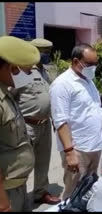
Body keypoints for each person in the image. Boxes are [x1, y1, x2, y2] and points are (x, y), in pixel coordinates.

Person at [49, 44, 102, 200]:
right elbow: (60, 121)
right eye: (89, 64)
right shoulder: (62, 84)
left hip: (94, 146)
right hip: (78, 148)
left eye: (95, 64)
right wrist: (69, 152)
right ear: (76, 61)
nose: (93, 68)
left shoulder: (88, 80)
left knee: (89, 190)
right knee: (73, 193)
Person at [11, 38, 61, 205]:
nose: (46, 56)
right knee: (23, 163)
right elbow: (10, 97)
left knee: (43, 161)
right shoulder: (21, 72)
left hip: (45, 124)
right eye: (43, 53)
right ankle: (20, 198)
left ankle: (40, 192)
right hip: (27, 125)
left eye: (48, 52)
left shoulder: (45, 71)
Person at [0, 36, 39, 211]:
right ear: (12, 68)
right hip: (5, 192)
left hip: (17, 185)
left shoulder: (7, 93)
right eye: (27, 71)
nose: (29, 76)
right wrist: (2, 201)